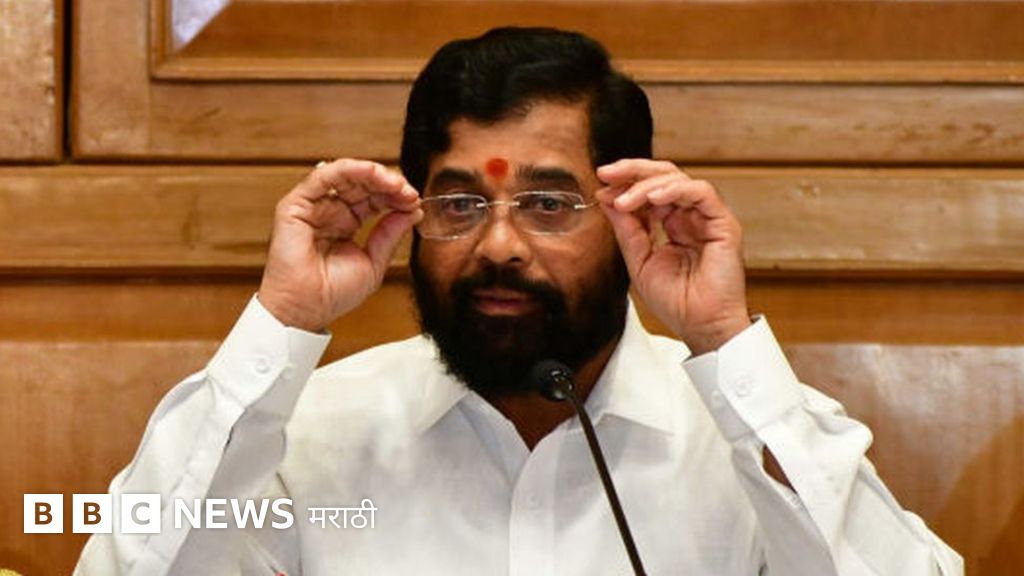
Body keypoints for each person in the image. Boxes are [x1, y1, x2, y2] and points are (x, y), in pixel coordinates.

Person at [75, 27, 963, 575]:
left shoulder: (750, 439)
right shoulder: (304, 434)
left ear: (631, 217)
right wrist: (282, 321)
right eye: (460, 204)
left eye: (547, 203)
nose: (498, 246)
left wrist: (726, 342)